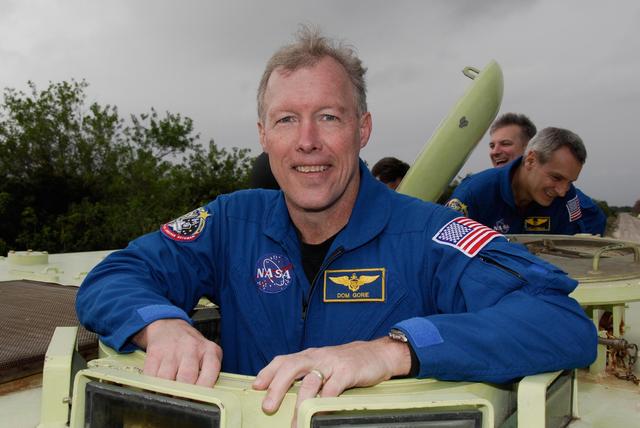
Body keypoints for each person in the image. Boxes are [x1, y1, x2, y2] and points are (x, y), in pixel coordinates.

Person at [76, 28, 596, 422]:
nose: (307, 141)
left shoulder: (430, 236)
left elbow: (560, 321)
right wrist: (160, 325)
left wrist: (395, 350)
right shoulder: (231, 221)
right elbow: (115, 275)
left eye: (328, 116)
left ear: (362, 129)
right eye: (286, 119)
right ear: (263, 134)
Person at [447, 126, 600, 234]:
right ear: (530, 161)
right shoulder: (473, 194)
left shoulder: (567, 197)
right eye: (556, 177)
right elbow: (445, 254)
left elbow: (588, 230)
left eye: (570, 182)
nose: (562, 191)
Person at [485, 113, 606, 235]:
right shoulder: (482, 194)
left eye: (505, 144)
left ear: (530, 151)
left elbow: (591, 228)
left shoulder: (566, 200)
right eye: (492, 146)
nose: (495, 152)